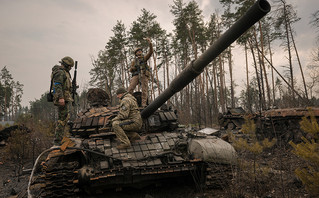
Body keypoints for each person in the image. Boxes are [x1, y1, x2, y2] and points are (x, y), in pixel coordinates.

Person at [51, 56, 74, 145]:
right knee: (62, 119)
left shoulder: (65, 73)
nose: (70, 68)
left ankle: (59, 138)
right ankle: (57, 140)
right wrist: (60, 98)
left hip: (65, 97)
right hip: (62, 98)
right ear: (67, 65)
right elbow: (57, 85)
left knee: (65, 117)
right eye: (70, 67)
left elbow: (65, 86)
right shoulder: (60, 73)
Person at [128, 37, 153, 107]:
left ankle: (143, 104)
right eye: (138, 51)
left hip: (143, 74)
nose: (139, 52)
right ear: (136, 54)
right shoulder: (134, 61)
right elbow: (130, 70)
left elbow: (151, 52)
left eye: (140, 51)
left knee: (144, 90)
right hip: (136, 75)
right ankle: (128, 103)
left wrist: (150, 43)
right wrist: (133, 68)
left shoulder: (144, 58)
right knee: (130, 89)